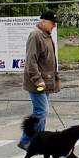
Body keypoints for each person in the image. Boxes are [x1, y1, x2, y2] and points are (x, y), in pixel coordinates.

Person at [17, 11, 61, 150]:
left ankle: (38, 140)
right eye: (52, 23)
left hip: (46, 81)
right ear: (43, 21)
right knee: (41, 111)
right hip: (37, 82)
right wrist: (37, 80)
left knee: (42, 112)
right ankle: (25, 140)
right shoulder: (36, 35)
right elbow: (31, 61)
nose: (54, 26)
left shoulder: (46, 35)